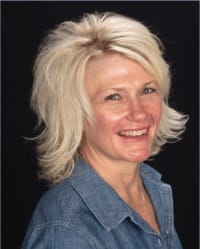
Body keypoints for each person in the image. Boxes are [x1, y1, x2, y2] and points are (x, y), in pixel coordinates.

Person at [21, 12, 188, 249]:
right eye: (113, 97)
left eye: (147, 91)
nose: (139, 113)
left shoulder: (150, 187)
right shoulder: (66, 232)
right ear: (74, 112)